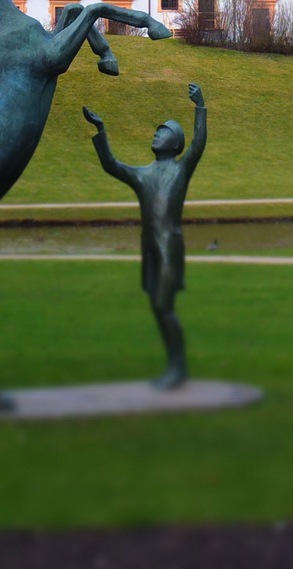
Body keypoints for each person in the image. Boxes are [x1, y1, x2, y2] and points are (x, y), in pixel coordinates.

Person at [82, 83, 207, 389]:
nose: (156, 134)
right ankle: (174, 365)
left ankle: (177, 368)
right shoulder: (143, 174)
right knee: (157, 306)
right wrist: (100, 130)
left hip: (169, 249)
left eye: (162, 132)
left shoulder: (180, 170)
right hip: (150, 250)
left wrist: (200, 107)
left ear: (175, 143)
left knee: (164, 306)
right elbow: (111, 165)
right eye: (157, 131)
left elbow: (199, 143)